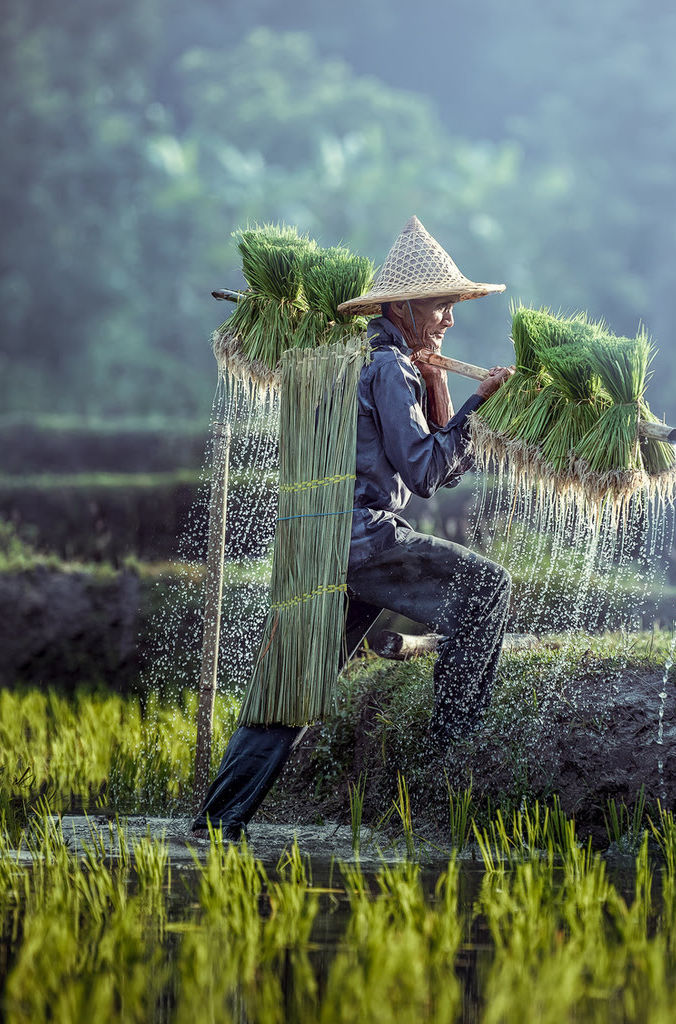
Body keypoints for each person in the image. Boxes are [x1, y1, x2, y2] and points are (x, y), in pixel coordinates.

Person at [192, 216, 513, 839]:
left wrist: (443, 386)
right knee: (487, 590)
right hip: (365, 541)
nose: (449, 319)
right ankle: (445, 765)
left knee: (286, 698)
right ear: (403, 307)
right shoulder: (389, 369)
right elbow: (424, 471)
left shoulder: (354, 357)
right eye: (441, 305)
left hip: (322, 545)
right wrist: (480, 405)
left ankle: (214, 824)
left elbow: (432, 466)